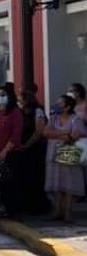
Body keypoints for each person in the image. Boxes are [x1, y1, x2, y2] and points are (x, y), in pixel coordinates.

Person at [44, 94, 87, 222]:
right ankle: (57, 210)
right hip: (53, 154)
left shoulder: (75, 119)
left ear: (68, 107)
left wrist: (57, 134)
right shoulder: (53, 118)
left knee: (69, 183)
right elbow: (46, 132)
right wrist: (65, 133)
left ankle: (68, 211)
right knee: (57, 184)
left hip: (69, 152)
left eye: (60, 103)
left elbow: (76, 135)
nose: (57, 106)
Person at [0, 85, 24, 218]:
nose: (0, 97)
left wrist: (5, 150)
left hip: (11, 153)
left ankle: (12, 210)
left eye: (3, 94)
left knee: (11, 182)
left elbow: (16, 133)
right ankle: (1, 207)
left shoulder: (15, 112)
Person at [18, 90, 49, 215]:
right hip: (23, 148)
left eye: (20, 98)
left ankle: (38, 205)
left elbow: (38, 131)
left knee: (36, 176)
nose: (19, 101)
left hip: (35, 148)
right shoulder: (21, 112)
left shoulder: (38, 111)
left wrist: (27, 144)